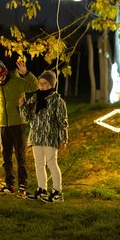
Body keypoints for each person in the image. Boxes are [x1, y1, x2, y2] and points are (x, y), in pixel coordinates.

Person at [0, 59, 38, 198]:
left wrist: (26, 73)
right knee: (6, 157)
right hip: (3, 124)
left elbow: (34, 86)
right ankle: (9, 185)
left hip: (18, 123)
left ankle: (22, 185)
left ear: (3, 68)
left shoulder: (17, 81)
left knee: (20, 156)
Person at [19, 70, 68, 203]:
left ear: (51, 85)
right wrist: (22, 105)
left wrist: (63, 138)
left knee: (51, 163)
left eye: (45, 84)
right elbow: (26, 117)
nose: (42, 86)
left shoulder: (57, 101)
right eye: (40, 83)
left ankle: (57, 192)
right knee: (39, 164)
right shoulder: (35, 98)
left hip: (50, 137)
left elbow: (62, 122)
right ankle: (42, 189)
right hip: (36, 136)